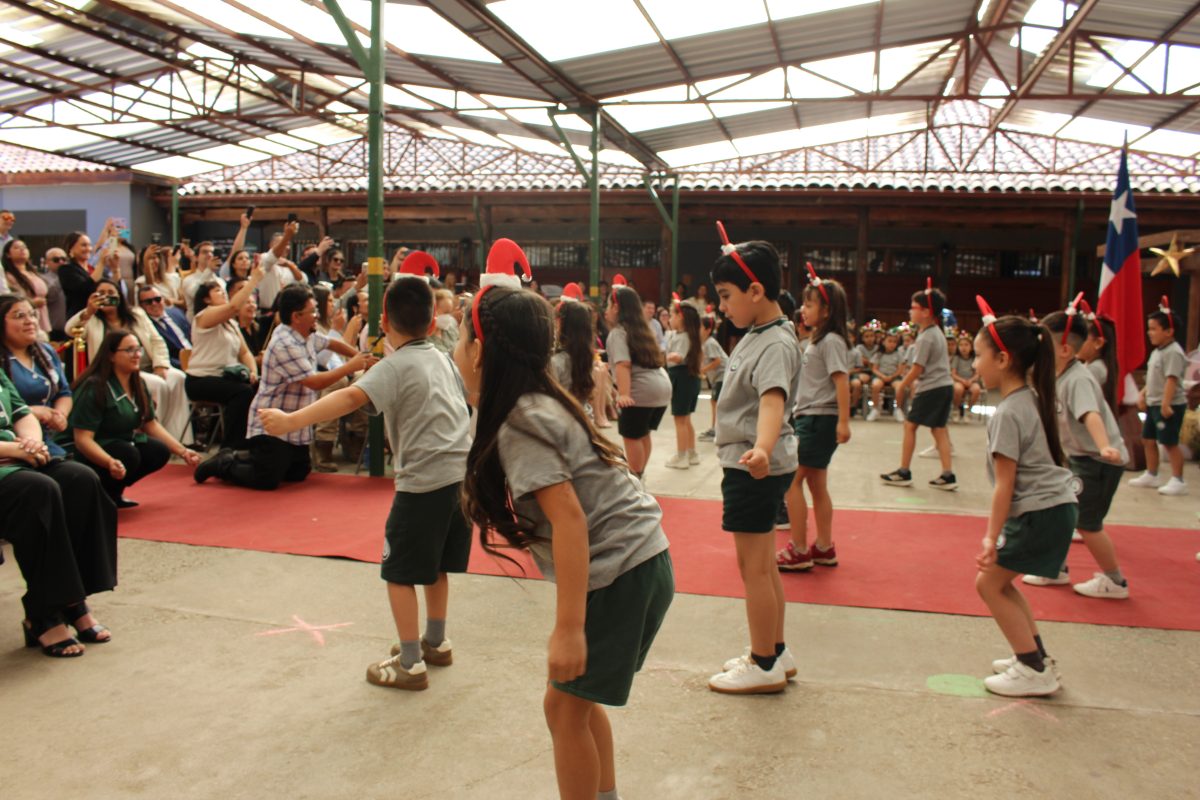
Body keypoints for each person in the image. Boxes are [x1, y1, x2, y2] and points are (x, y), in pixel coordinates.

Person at [454, 284, 673, 800]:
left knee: (563, 707)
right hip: (641, 559)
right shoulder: (536, 400)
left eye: (462, 340)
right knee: (578, 701)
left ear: (480, 352)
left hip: (623, 570)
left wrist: (569, 630)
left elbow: (571, 522)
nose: (456, 351)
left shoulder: (520, 421)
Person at [259, 277, 465, 690]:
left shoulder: (395, 365)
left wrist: (290, 421)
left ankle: (410, 664)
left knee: (400, 572)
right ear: (432, 323)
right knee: (437, 565)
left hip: (422, 482)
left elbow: (350, 398)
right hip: (459, 478)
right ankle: (436, 643)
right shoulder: (442, 357)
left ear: (384, 320)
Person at [706, 229, 801, 695]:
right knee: (764, 567)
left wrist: (761, 449)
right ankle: (776, 651)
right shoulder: (760, 333)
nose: (722, 306)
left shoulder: (774, 343)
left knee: (754, 569)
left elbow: (772, 401)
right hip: (751, 461)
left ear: (756, 291)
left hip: (753, 465)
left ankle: (762, 661)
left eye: (726, 296)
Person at [971, 302, 1076, 697]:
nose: (974, 365)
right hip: (1053, 508)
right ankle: (1034, 657)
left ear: (1002, 358)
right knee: (1002, 583)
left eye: (979, 356)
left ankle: (1033, 669)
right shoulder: (1034, 397)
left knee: (988, 584)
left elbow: (1005, 484)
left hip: (1039, 512)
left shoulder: (1009, 413)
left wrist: (989, 537)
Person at [194, 284, 373, 489]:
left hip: (294, 421)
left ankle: (249, 457)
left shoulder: (306, 332)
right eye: (312, 311)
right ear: (296, 316)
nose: (316, 315)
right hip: (271, 424)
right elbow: (314, 382)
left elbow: (331, 343)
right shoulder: (285, 343)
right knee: (266, 479)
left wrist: (361, 357)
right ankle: (224, 463)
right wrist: (352, 365)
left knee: (298, 473)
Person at [0, 368, 118, 657]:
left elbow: (22, 413)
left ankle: (71, 602)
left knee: (81, 480)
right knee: (38, 491)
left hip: (18, 457)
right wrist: (16, 449)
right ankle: (45, 615)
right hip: (9, 461)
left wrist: (32, 442)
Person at [1028, 308, 1130, 599]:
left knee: (1087, 524)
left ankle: (1115, 582)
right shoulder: (1059, 374)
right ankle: (1055, 568)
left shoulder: (1078, 379)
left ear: (1063, 349)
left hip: (1098, 461)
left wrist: (1103, 446)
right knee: (1063, 513)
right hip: (1080, 458)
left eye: (1043, 342)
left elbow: (1090, 415)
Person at [63, 330, 199, 506]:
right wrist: (109, 462)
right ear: (111, 356)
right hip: (84, 448)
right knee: (128, 454)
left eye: (138, 349)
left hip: (117, 442)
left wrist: (182, 451)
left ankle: (113, 492)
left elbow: (150, 424)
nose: (136, 355)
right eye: (129, 350)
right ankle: (100, 494)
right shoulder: (95, 387)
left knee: (158, 451)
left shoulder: (138, 383)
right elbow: (82, 439)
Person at [776, 269, 851, 572]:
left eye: (809, 305)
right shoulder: (818, 340)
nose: (803, 310)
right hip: (813, 418)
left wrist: (843, 422)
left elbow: (841, 380)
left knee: (792, 482)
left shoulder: (830, 341)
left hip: (819, 419)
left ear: (827, 310)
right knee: (817, 485)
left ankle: (799, 547)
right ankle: (823, 546)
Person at [880, 281, 957, 490]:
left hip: (932, 388)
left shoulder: (926, 337)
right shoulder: (934, 332)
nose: (910, 311)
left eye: (913, 307)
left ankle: (904, 471)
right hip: (944, 387)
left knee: (910, 425)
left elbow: (917, 369)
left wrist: (901, 386)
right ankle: (948, 475)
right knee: (938, 429)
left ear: (926, 311)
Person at [185, 264, 263, 449]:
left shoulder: (230, 323)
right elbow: (235, 306)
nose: (223, 294)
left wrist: (252, 371)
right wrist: (254, 280)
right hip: (201, 380)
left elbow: (244, 353)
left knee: (260, 385)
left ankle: (257, 440)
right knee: (242, 392)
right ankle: (232, 446)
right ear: (206, 299)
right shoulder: (203, 316)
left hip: (226, 377)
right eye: (218, 291)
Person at [605, 285, 670, 479]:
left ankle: (635, 479)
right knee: (643, 434)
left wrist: (624, 394)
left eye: (608, 305)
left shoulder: (618, 332)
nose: (606, 311)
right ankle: (639, 475)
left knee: (631, 435)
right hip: (662, 389)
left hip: (641, 391)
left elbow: (623, 364)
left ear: (616, 307)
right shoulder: (643, 329)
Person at [1128, 300, 1189, 496]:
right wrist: (1143, 393)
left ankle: (1178, 479)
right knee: (1148, 439)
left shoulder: (1174, 352)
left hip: (1169, 405)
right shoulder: (1157, 351)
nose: (1149, 333)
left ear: (1169, 331)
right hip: (1154, 403)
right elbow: (1154, 377)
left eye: (1154, 329)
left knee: (1169, 442)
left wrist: (1165, 403)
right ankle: (1152, 474)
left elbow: (1171, 379)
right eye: (1149, 329)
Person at [1, 294, 72, 454]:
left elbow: (64, 392)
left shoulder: (45, 352)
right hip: (13, 440)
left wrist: (60, 414)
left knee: (82, 474)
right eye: (20, 316)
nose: (30, 321)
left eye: (33, 314)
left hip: (46, 438)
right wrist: (33, 411)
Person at [664, 302, 703, 469]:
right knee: (686, 419)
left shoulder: (683, 337)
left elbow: (678, 357)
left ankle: (681, 456)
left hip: (681, 377)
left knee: (679, 419)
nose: (670, 319)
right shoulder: (688, 336)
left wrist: (667, 357)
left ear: (680, 317)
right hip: (689, 379)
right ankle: (691, 453)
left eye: (672, 315)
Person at [553, 298, 598, 412]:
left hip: (562, 418)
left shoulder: (556, 362)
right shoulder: (587, 357)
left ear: (562, 324)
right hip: (584, 414)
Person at [2, 239, 51, 335]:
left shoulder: (33, 273)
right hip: (24, 317)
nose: (22, 250)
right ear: (8, 254)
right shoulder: (8, 276)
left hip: (42, 315)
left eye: (24, 247)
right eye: (17, 248)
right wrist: (32, 302)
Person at [139, 284, 191, 370]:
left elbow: (191, 337)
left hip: (197, 357)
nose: (154, 304)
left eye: (157, 299)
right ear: (141, 306)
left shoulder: (176, 313)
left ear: (163, 299)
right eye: (148, 302)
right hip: (176, 366)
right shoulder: (145, 327)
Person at [59, 231, 107, 319]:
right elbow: (85, 289)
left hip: (99, 317)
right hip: (80, 317)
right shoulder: (66, 269)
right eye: (84, 245)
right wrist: (101, 263)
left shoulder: (92, 269)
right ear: (71, 248)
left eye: (89, 245)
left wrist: (115, 269)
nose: (88, 249)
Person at [697, 315, 726, 442]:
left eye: (700, 327)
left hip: (722, 376)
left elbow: (718, 361)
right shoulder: (705, 343)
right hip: (717, 377)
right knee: (714, 402)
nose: (698, 329)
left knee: (717, 402)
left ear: (708, 330)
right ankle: (715, 428)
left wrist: (703, 370)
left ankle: (717, 430)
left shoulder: (710, 343)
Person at [867, 328, 905, 421]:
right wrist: (882, 376)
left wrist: (892, 376)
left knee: (900, 386)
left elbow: (900, 369)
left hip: (894, 377)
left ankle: (898, 409)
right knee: (876, 385)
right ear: (883, 342)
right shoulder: (879, 354)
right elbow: (874, 369)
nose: (892, 344)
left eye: (894, 342)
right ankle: (875, 409)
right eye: (889, 341)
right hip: (880, 376)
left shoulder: (898, 354)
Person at [951, 332, 982, 419]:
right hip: (959, 380)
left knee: (976, 389)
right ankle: (956, 409)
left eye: (966, 345)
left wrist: (971, 380)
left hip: (971, 381)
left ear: (971, 347)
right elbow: (953, 374)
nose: (963, 347)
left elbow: (977, 374)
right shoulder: (956, 358)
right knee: (958, 389)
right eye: (961, 345)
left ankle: (969, 410)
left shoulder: (974, 359)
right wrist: (962, 381)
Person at [41, 246, 69, 337]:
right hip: (55, 330)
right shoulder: (42, 279)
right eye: (56, 260)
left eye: (63, 259)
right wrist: (61, 276)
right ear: (47, 262)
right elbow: (50, 296)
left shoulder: (72, 277)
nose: (61, 262)